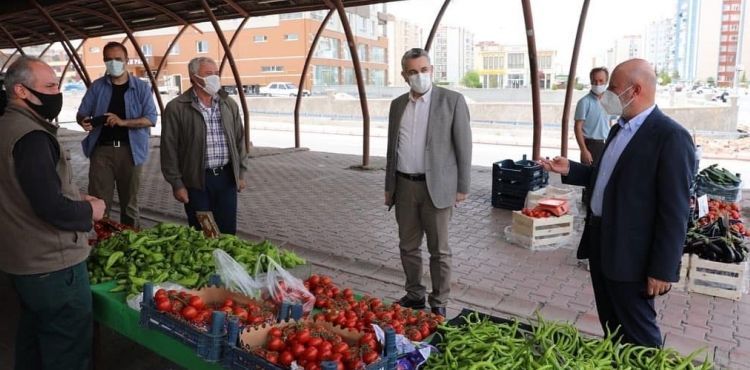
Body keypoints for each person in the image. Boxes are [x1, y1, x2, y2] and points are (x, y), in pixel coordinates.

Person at [539, 59, 695, 347]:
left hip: (631, 255)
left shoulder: (670, 137)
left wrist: (663, 269)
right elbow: (607, 178)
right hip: (601, 241)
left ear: (635, 90)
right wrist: (571, 169)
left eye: (612, 87)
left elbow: (675, 211)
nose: (606, 93)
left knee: (639, 333)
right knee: (612, 325)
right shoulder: (619, 128)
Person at [0, 56, 106, 369]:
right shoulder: (31, 136)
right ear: (21, 90)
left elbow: (19, 187)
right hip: (52, 264)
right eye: (49, 86)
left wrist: (72, 193)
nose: (56, 92)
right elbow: (49, 207)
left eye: (57, 84)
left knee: (32, 342)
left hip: (20, 262)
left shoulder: (6, 126)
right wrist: (90, 210)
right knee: (67, 350)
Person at [384, 48, 473, 317]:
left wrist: (463, 187)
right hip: (404, 185)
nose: (419, 76)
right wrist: (389, 188)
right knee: (407, 246)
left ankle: (439, 302)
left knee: (439, 250)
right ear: (404, 75)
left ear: (432, 70)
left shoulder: (452, 101)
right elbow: (391, 148)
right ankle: (414, 295)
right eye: (413, 72)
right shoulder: (397, 105)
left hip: (438, 187)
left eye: (423, 70)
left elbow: (464, 146)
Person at [160, 57, 248, 235]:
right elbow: (169, 149)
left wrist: (241, 173)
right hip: (196, 181)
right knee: (204, 231)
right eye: (209, 74)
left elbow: (240, 139)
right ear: (194, 77)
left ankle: (225, 261)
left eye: (216, 73)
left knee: (227, 231)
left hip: (226, 177)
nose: (215, 78)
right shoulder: (176, 107)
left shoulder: (228, 104)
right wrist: (177, 184)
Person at [77, 41, 157, 228]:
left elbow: (151, 118)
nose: (114, 63)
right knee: (98, 202)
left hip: (131, 151)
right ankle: (101, 242)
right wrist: (83, 121)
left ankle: (131, 244)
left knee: (129, 205)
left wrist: (122, 122)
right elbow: (82, 112)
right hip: (101, 152)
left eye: (118, 59)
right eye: (109, 60)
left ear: (126, 60)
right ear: (104, 61)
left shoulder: (141, 88)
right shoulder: (97, 87)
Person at [574, 67, 612, 166]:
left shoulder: (609, 101)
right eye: (594, 81)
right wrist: (584, 150)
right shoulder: (584, 102)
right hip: (591, 146)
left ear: (606, 81)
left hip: (607, 144)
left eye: (601, 81)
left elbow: (609, 122)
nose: (598, 84)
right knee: (590, 178)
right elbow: (578, 127)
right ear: (591, 81)